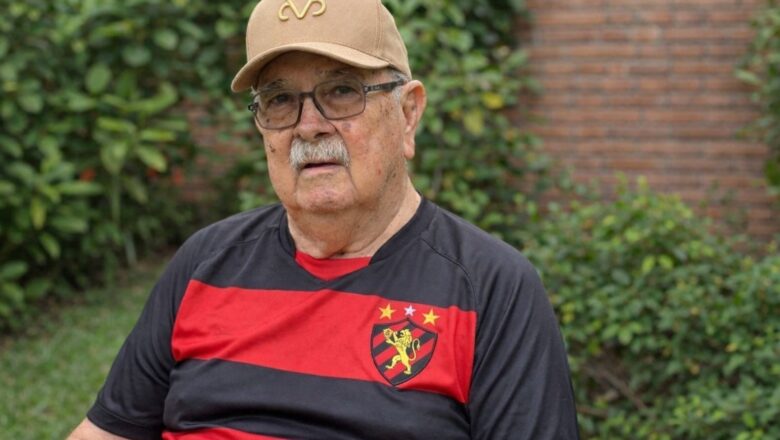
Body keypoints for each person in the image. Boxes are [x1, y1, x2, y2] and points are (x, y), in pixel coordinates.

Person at [69, 0, 579, 438]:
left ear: (408, 114)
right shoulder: (206, 262)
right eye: (279, 100)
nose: (308, 126)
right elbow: (108, 431)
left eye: (342, 91)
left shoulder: (490, 288)